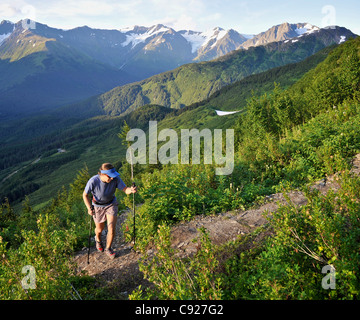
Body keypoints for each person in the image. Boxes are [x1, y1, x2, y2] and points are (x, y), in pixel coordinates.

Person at [83, 163, 137, 259]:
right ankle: (98, 240)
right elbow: (85, 195)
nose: (112, 178)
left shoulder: (115, 179)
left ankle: (108, 248)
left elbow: (125, 189)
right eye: (109, 176)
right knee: (99, 229)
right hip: (97, 206)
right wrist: (88, 208)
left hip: (111, 204)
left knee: (111, 227)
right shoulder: (93, 181)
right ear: (102, 174)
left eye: (113, 176)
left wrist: (131, 190)